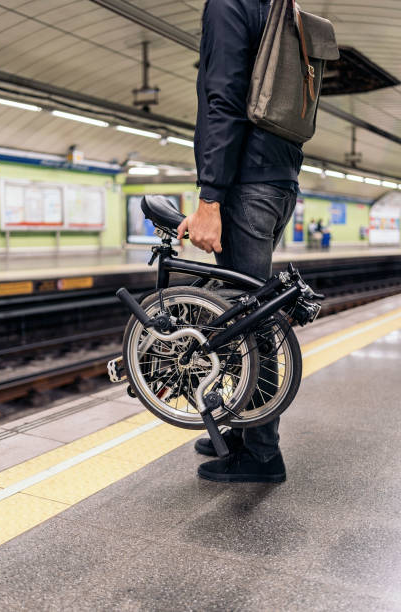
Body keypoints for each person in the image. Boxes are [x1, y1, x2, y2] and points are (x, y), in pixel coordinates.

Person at [177, 0, 303, 483]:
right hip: (277, 176)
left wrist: (210, 198)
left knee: (251, 322)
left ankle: (263, 454)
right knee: (240, 315)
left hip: (245, 184)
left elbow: (224, 98)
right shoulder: (279, 6)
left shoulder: (229, 3)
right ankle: (239, 429)